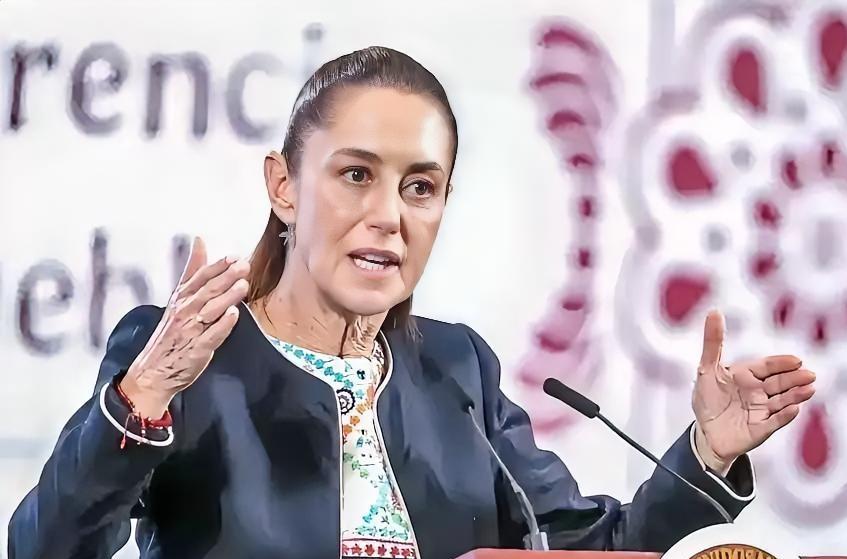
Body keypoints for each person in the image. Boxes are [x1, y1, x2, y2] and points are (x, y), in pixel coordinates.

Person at [8, 46, 816, 559]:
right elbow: (45, 547)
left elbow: (588, 549)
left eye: (419, 187)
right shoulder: (185, 358)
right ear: (284, 186)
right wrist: (144, 396)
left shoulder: (455, 368)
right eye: (356, 174)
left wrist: (706, 454)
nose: (388, 215)